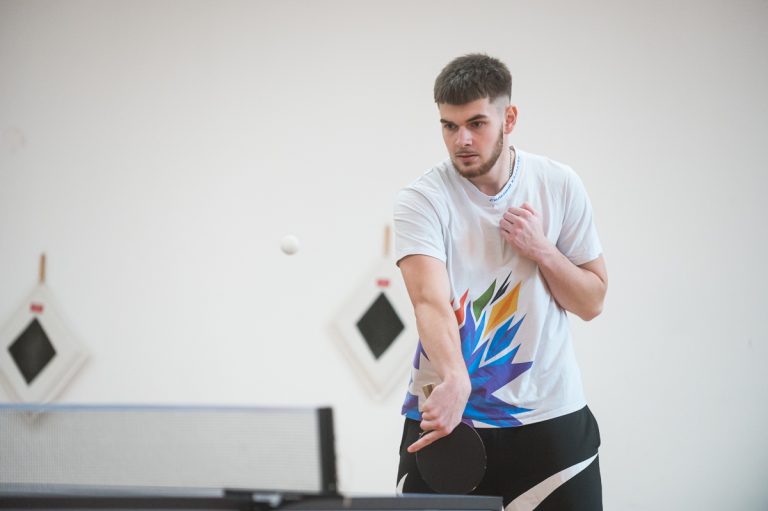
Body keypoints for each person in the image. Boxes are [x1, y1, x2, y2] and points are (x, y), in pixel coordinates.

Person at [393, 54, 607, 510]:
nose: (462, 140)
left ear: (509, 118)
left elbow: (591, 302)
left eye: (476, 123)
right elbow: (429, 300)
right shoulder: (421, 200)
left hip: (550, 417)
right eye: (449, 126)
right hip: (451, 420)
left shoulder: (559, 184)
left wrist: (542, 250)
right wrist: (456, 377)